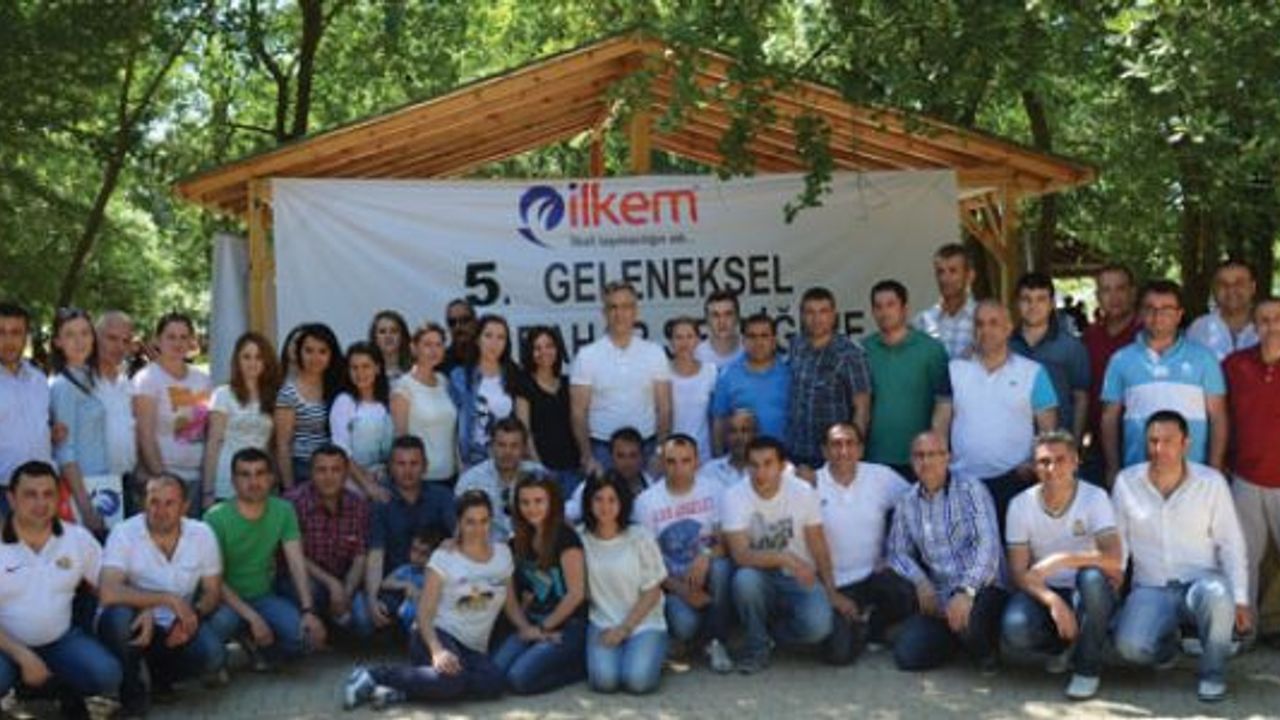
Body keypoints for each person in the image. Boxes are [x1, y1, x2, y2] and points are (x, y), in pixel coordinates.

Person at [1111, 411, 1251, 703]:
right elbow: (1118, 542)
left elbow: (1231, 544)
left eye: (1168, 441)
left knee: (1219, 594)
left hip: (1200, 585)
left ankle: (1212, 674)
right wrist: (1113, 582)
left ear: (1186, 443)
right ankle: (1168, 649)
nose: (1159, 449)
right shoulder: (1126, 482)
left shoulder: (1211, 482)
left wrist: (1239, 598)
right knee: (1130, 648)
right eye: (1153, 441)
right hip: (1151, 586)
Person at [343, 490, 513, 709]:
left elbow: (511, 603)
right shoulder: (443, 556)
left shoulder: (502, 554)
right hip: (433, 632)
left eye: (484, 521)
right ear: (459, 523)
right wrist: (437, 650)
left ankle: (403, 691)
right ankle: (374, 675)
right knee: (451, 680)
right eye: (470, 522)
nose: (478, 529)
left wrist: (528, 628)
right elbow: (423, 614)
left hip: (472, 646)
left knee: (493, 683)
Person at [999, 431, 1123, 700]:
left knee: (1092, 578)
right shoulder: (1020, 505)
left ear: (1076, 461)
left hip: (1087, 590)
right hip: (1045, 589)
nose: (1052, 468)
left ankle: (1087, 667)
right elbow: (1018, 572)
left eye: (1060, 460)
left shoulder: (1095, 497)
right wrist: (1053, 601)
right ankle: (1064, 646)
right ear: (1034, 466)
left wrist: (1064, 560)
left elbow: (1114, 559)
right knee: (1015, 628)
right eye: (1044, 462)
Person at [0, 461, 120, 719]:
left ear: (58, 498)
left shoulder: (77, 538)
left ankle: (49, 689)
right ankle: (20, 690)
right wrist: (22, 655)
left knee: (106, 675)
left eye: (48, 494)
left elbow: (109, 586)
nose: (41, 503)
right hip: (6, 646)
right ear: (11, 498)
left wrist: (142, 608)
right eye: (30, 494)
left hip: (60, 640)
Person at [98, 474, 225, 716]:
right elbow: (108, 591)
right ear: (142, 503)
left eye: (170, 503)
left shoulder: (202, 534)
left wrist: (193, 617)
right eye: (154, 502)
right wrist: (163, 599)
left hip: (177, 623)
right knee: (118, 617)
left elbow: (212, 591)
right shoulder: (124, 532)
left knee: (212, 656)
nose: (161, 510)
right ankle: (131, 693)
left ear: (185, 506)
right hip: (137, 621)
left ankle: (160, 677)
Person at [887, 432, 1005, 672]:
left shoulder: (971, 489)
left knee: (971, 624)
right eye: (919, 456)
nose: (926, 461)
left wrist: (966, 591)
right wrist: (920, 581)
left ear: (947, 458)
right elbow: (897, 551)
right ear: (911, 461)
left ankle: (984, 650)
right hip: (939, 593)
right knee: (908, 657)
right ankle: (954, 637)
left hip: (982, 587)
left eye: (933, 454)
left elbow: (987, 546)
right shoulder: (907, 501)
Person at [204, 448, 327, 666]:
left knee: (304, 639)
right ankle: (238, 643)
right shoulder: (215, 518)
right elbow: (215, 581)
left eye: (260, 473)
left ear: (271, 478)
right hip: (226, 602)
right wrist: (253, 617)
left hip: (263, 596)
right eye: (245, 474)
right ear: (233, 481)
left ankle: (256, 645)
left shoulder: (284, 510)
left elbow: (296, 562)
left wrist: (308, 611)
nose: (254, 481)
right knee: (220, 630)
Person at [723, 437, 835, 674]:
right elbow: (741, 555)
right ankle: (757, 646)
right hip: (759, 575)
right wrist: (785, 558)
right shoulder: (734, 496)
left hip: (798, 577)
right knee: (745, 580)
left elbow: (818, 544)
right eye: (754, 465)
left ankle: (771, 634)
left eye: (768, 464)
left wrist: (831, 591)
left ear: (782, 466)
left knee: (819, 627)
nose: (760, 472)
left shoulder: (803, 492)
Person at [1101, 280, 1228, 486]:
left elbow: (1218, 416)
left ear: (1179, 315)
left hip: (1193, 475)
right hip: (1137, 473)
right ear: (1140, 313)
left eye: (1166, 309)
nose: (1157, 315)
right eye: (1150, 308)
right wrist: (1112, 468)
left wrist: (1214, 468)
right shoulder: (1120, 359)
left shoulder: (1204, 358)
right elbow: (1109, 417)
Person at [949, 301, 1058, 530]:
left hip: (1015, 482)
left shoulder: (1033, 372)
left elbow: (1048, 431)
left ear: (1008, 328)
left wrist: (1032, 466)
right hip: (962, 482)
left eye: (993, 323)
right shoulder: (954, 370)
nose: (985, 330)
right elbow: (940, 422)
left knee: (1015, 549)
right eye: (979, 324)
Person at [815, 423, 915, 665]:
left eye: (850, 443)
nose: (844, 451)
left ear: (861, 449)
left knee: (905, 592)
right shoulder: (810, 483)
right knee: (838, 655)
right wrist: (829, 592)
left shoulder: (881, 476)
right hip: (834, 583)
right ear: (824, 450)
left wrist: (894, 551)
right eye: (836, 444)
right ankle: (861, 627)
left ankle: (876, 625)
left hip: (875, 575)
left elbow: (916, 505)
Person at [634, 435, 733, 672]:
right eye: (671, 461)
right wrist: (681, 590)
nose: (678, 469)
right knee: (685, 625)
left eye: (686, 461)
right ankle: (692, 637)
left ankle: (716, 641)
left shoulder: (715, 490)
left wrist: (705, 555)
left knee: (721, 568)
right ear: (661, 463)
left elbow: (727, 542)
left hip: (708, 573)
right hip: (672, 583)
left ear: (697, 462)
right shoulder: (646, 502)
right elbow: (649, 563)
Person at [492, 474, 588, 694]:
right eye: (525, 502)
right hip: (533, 621)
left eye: (538, 501)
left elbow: (576, 594)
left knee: (519, 679)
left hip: (568, 625)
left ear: (551, 503)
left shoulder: (566, 538)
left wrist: (543, 629)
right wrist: (527, 628)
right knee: (496, 672)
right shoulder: (515, 542)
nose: (531, 508)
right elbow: (510, 598)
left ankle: (583, 666)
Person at [579, 473, 669, 694]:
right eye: (598, 499)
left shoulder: (640, 537)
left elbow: (652, 591)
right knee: (605, 681)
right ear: (589, 502)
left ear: (623, 502)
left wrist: (624, 629)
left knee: (637, 681)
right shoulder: (580, 538)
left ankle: (656, 649)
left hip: (643, 620)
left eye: (612, 500)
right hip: (603, 620)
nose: (605, 507)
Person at [571, 281, 672, 476]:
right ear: (604, 313)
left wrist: (660, 451)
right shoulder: (587, 356)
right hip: (603, 450)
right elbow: (578, 412)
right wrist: (587, 456)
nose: (620, 314)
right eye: (613, 307)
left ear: (635, 311)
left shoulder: (654, 353)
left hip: (646, 448)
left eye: (626, 307)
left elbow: (665, 408)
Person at [364, 436, 457, 634]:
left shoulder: (442, 496)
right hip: (397, 582)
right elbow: (376, 553)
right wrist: (372, 599)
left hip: (436, 580)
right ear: (390, 467)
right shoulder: (381, 501)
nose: (408, 470)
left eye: (414, 463)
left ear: (425, 466)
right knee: (369, 616)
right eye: (401, 464)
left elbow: (459, 537)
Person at [1224, 297, 1280, 623]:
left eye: (1278, 319)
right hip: (1245, 477)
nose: (1272, 326)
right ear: (1254, 326)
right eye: (1264, 320)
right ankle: (1245, 631)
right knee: (1242, 559)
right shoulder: (1235, 365)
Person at [862, 280, 952, 478]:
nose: (884, 312)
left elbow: (944, 404)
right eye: (878, 306)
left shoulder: (931, 350)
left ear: (905, 308)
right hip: (875, 458)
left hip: (920, 459)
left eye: (890, 305)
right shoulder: (864, 350)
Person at [284, 446, 373, 637]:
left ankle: (333, 628)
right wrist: (332, 584)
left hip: (345, 577)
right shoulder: (293, 503)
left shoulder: (358, 504)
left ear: (346, 473)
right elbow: (293, 555)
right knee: (312, 592)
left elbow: (360, 556)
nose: (328, 477)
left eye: (335, 470)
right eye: (321, 470)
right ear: (311, 473)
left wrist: (346, 591)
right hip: (308, 578)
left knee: (364, 622)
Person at [786, 286, 871, 476]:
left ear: (833, 315)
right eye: (810, 312)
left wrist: (852, 451)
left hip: (833, 456)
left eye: (823, 311)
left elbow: (862, 408)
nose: (817, 319)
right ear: (801, 316)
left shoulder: (850, 354)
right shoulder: (796, 346)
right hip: (797, 452)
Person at [133, 312, 211, 512]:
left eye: (184, 337)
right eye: (171, 337)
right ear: (158, 340)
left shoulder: (203, 379)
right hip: (162, 483)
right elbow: (145, 436)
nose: (178, 343)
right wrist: (164, 483)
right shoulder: (147, 379)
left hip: (198, 480)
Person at [48, 308, 110, 532]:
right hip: (83, 491)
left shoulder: (91, 377)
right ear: (58, 342)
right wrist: (86, 508)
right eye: (70, 334)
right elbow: (65, 451)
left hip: (104, 485)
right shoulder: (62, 386)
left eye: (85, 333)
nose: (79, 341)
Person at [1010, 272, 1091, 441]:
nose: (1033, 306)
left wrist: (1075, 443)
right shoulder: (1005, 346)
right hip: (1012, 442)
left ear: (1052, 304)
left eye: (1041, 299)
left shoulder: (1071, 347)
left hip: (1057, 443)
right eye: (1026, 299)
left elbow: (1081, 398)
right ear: (1017, 303)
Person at [202, 332, 278, 508]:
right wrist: (208, 490)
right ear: (237, 360)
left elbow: (273, 445)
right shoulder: (223, 394)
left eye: (258, 357)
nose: (252, 362)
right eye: (246, 357)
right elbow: (213, 442)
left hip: (260, 480)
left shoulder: (274, 396)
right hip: (227, 479)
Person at [1081, 265, 1141, 477]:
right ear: (1098, 296)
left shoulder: (1148, 334)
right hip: (1099, 445)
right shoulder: (1089, 337)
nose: (1114, 297)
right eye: (1106, 290)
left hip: (1142, 443)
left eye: (1120, 289)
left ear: (1133, 292)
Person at [274, 323, 343, 489]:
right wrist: (290, 489)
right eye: (309, 351)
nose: (315, 357)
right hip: (302, 468)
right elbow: (283, 445)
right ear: (299, 352)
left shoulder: (338, 387)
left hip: (335, 468)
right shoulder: (289, 393)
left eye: (322, 351)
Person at [710, 312, 790, 455]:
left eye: (764, 336)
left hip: (781, 459)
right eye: (752, 336)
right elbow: (719, 421)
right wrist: (718, 457)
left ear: (774, 341)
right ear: (743, 341)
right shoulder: (727, 375)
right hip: (740, 460)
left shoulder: (789, 373)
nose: (758, 342)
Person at [514, 326, 580, 496]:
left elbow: (577, 421)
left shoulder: (567, 383)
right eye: (537, 348)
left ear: (557, 349)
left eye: (549, 346)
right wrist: (539, 467)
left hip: (573, 467)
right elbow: (524, 430)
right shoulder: (524, 385)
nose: (544, 352)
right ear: (530, 353)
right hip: (544, 468)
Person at [454, 418, 545, 541]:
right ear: (491, 447)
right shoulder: (470, 480)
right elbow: (461, 527)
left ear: (524, 449)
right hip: (486, 547)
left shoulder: (539, 476)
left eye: (514, 446)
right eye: (501, 445)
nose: (507, 452)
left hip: (530, 545)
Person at [391, 323, 459, 484]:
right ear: (414, 348)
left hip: (451, 475)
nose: (433, 350)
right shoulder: (403, 387)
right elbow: (400, 438)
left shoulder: (444, 381)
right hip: (421, 479)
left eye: (438, 345)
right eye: (427, 344)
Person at [451, 314, 519, 470]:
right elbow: (453, 427)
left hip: (507, 460)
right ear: (477, 339)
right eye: (488, 336)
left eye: (500, 337)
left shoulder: (514, 376)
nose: (494, 343)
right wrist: (460, 465)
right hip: (472, 460)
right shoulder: (460, 377)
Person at [329, 341, 393, 501]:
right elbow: (342, 451)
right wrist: (368, 486)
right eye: (354, 368)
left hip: (386, 481)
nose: (360, 373)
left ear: (377, 368)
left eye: (366, 366)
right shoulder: (344, 402)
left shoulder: (387, 402)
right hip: (353, 486)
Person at [565, 427, 656, 524]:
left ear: (642, 457)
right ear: (611, 457)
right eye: (620, 456)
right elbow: (564, 513)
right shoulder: (594, 485)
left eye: (633, 455)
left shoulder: (654, 487)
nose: (627, 463)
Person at [94, 311, 138, 482]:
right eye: (112, 338)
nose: (119, 347)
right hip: (91, 483)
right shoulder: (79, 383)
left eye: (126, 341)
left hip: (127, 480)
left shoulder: (127, 383)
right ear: (95, 338)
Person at [913, 243, 978, 359]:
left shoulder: (984, 320)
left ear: (970, 276)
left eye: (953, 271)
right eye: (940, 272)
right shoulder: (923, 321)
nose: (945, 278)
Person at [667, 317, 717, 462]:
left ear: (698, 340)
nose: (684, 343)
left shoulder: (710, 371)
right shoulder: (661, 373)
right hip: (673, 457)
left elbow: (714, 418)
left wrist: (716, 450)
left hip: (703, 454)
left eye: (689, 336)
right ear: (671, 342)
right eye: (679, 337)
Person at [1187, 259, 1258, 360]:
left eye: (1239, 283)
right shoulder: (1199, 328)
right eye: (1223, 284)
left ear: (1252, 287)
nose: (1231, 290)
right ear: (1214, 289)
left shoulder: (1271, 326)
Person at [380, 529, 440, 633]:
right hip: (402, 617)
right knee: (388, 601)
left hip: (424, 620)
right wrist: (406, 585)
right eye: (414, 550)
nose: (417, 557)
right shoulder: (407, 570)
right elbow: (385, 583)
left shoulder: (434, 575)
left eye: (424, 554)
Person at [701, 408, 759, 490]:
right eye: (733, 431)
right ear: (725, 436)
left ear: (755, 434)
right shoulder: (710, 471)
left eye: (745, 431)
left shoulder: (763, 470)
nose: (739, 437)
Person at [695, 290, 743, 369]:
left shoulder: (751, 350)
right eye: (715, 315)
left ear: (737, 317)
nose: (722, 321)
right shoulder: (697, 355)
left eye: (728, 314)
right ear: (707, 319)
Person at [368, 310, 412, 382]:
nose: (388, 336)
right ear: (374, 337)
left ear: (402, 336)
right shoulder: (366, 375)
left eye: (394, 331)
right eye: (382, 332)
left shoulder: (415, 372)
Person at [440, 298, 479, 375]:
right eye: (452, 322)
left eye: (464, 320)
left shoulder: (491, 356)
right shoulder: (439, 362)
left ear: (475, 322)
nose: (458, 327)